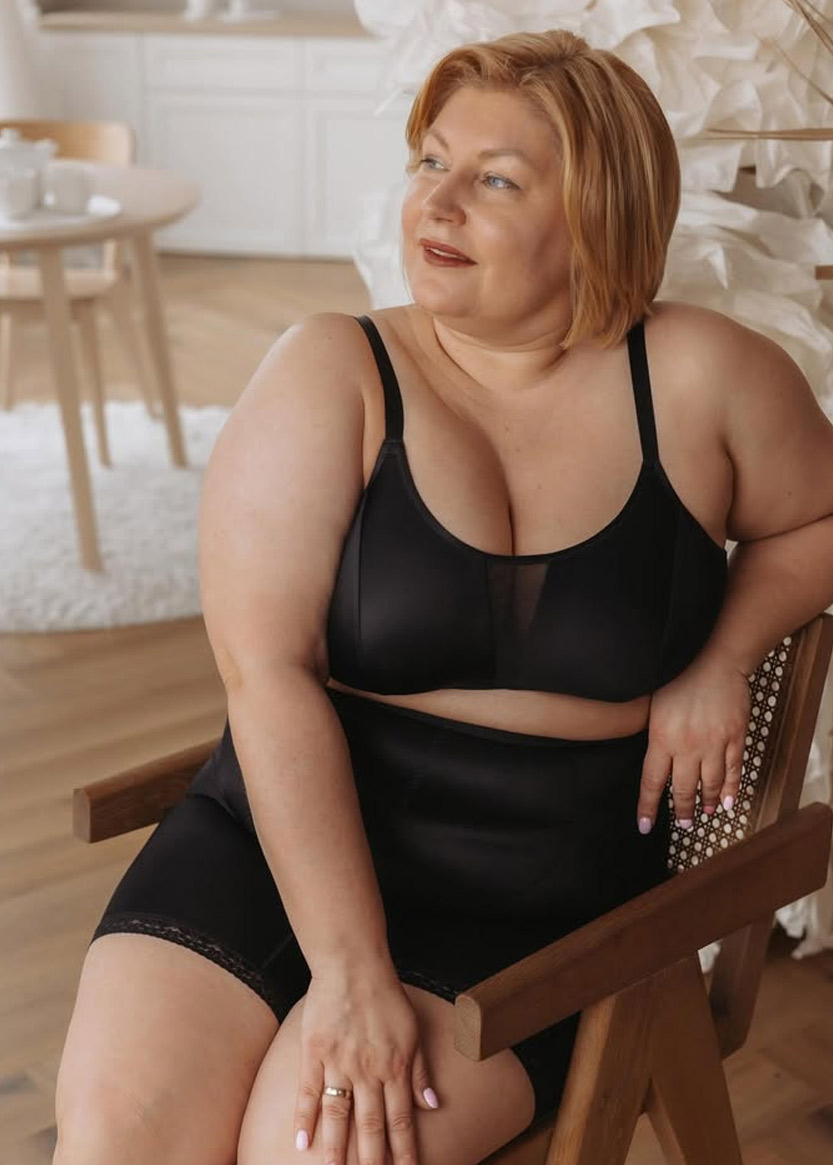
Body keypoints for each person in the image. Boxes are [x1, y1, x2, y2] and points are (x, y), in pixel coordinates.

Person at [52, 27, 833, 1165]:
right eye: (430, 162)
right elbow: (264, 675)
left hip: (532, 905)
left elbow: (816, 517)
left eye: (495, 179)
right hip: (274, 843)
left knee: (310, 1155)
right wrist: (348, 974)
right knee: (119, 1145)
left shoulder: (706, 379)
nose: (438, 201)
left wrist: (721, 657)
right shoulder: (333, 373)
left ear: (598, 211)